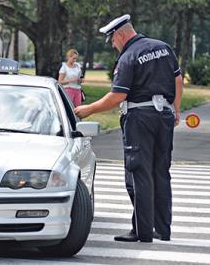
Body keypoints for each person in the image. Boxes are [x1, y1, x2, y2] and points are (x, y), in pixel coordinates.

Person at [74, 14, 183, 243]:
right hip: (164, 115)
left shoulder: (129, 56)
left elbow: (118, 96)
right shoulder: (163, 48)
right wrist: (176, 110)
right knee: (161, 172)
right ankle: (163, 230)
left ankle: (142, 232)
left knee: (139, 174)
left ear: (121, 34)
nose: (113, 45)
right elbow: (178, 80)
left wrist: (89, 109)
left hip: (140, 117)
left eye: (112, 40)